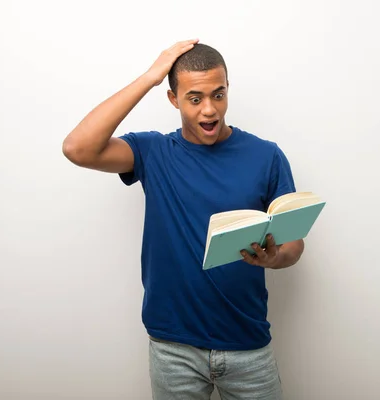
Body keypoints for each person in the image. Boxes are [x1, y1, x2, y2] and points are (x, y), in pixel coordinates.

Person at [62, 39, 304, 400]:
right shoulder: (153, 152)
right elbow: (77, 148)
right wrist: (150, 77)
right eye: (195, 98)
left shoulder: (266, 156)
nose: (209, 110)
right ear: (173, 99)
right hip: (173, 348)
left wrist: (275, 256)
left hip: (247, 344)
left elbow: (294, 244)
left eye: (218, 95)